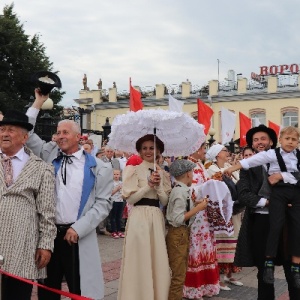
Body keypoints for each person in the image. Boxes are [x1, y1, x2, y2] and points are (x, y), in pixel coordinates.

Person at [26, 89, 113, 300]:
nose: (60, 136)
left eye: (65, 132)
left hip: (77, 237)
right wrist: (38, 102)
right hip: (48, 236)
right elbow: (26, 134)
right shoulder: (48, 153)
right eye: (58, 132)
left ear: (78, 136)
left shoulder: (99, 167)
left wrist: (79, 227)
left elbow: (103, 204)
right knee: (47, 290)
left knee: (80, 290)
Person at [230, 124, 300, 300]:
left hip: (287, 221)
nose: (259, 142)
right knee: (264, 270)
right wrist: (268, 202)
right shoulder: (249, 166)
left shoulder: (289, 159)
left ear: (271, 141)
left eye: (263, 139)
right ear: (252, 144)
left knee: (291, 267)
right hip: (261, 221)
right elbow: (244, 194)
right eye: (255, 140)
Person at [0, 110, 56, 300]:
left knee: (17, 295)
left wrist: (46, 245)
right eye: (2, 129)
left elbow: (47, 211)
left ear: (25, 137)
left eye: (11, 130)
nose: (5, 133)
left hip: (22, 246)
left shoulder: (41, 168)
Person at [117, 134, 172, 300]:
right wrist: (148, 186)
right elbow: (131, 199)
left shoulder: (162, 173)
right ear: (139, 151)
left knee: (157, 259)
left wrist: (158, 186)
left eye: (152, 148)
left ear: (158, 150)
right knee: (139, 258)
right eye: (144, 148)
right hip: (139, 217)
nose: (148, 151)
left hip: (156, 217)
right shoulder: (133, 169)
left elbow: (164, 201)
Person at [166, 159, 208, 300]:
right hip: (178, 234)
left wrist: (195, 204)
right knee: (178, 275)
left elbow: (182, 208)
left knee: (180, 272)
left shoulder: (181, 190)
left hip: (181, 234)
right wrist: (198, 208)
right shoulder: (180, 192)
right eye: (191, 172)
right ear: (188, 174)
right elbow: (178, 219)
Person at [183, 143, 220, 299]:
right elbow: (188, 191)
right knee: (195, 247)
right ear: (196, 149)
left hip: (204, 214)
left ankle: (206, 284)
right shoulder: (187, 165)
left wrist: (213, 181)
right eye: (203, 148)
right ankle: (194, 286)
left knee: (204, 246)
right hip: (196, 214)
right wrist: (207, 185)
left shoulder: (199, 164)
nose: (205, 151)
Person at [206, 144, 243, 290]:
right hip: (221, 212)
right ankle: (218, 278)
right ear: (217, 154)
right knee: (221, 244)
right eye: (224, 150)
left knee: (233, 242)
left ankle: (229, 275)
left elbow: (237, 182)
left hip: (233, 210)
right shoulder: (210, 168)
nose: (227, 152)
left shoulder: (228, 165)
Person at [110, 169, 125, 239]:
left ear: (120, 175)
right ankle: (113, 231)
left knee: (119, 217)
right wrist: (117, 189)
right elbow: (110, 193)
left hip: (120, 201)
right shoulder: (111, 183)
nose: (116, 176)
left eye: (117, 174)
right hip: (114, 201)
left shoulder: (121, 183)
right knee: (113, 217)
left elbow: (124, 193)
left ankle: (119, 230)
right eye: (114, 174)